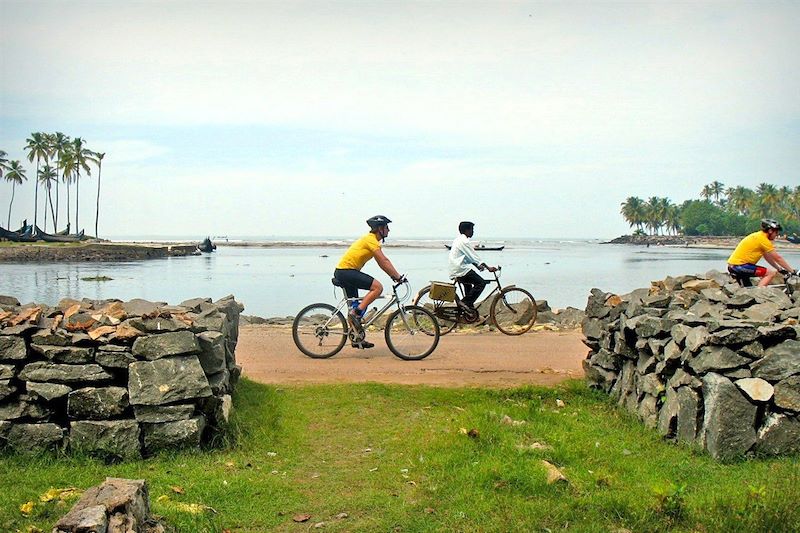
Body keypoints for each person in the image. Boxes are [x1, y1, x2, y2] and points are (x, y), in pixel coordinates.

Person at [333, 215, 404, 349]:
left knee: (353, 305)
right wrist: (397, 276)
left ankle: (356, 338)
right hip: (346, 271)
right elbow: (384, 261)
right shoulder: (371, 240)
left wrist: (393, 275)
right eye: (387, 227)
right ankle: (357, 313)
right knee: (377, 288)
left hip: (345, 272)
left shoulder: (371, 240)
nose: (389, 230)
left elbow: (381, 263)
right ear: (380, 229)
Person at [727, 218, 797, 287]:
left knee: (748, 291)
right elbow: (778, 258)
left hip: (734, 266)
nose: (777, 234)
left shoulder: (759, 236)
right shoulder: (763, 239)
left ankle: (754, 295)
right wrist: (792, 271)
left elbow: (767, 257)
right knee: (771, 273)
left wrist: (779, 269)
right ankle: (759, 295)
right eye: (776, 232)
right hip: (740, 266)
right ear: (770, 231)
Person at [448, 221, 497, 309]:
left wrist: (477, 266)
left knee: (469, 286)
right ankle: (464, 304)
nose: (473, 232)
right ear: (467, 230)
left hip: (456, 269)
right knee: (481, 283)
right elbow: (474, 256)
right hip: (460, 270)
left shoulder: (458, 240)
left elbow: (468, 257)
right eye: (472, 229)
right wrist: (488, 267)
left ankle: (469, 310)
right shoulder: (464, 241)